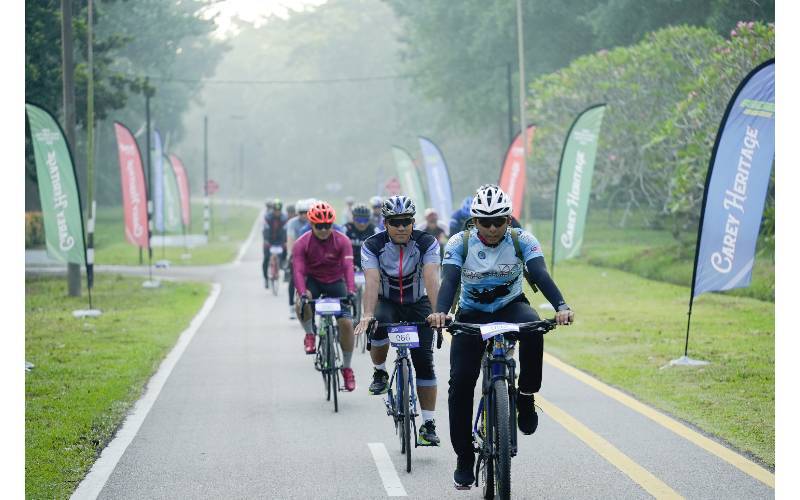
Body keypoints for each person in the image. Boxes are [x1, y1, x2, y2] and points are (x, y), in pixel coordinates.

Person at [427, 184, 575, 489]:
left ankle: (525, 395)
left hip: (511, 307)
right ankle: (465, 458)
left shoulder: (523, 240)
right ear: (474, 221)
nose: (493, 228)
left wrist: (561, 306)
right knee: (461, 384)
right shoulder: (459, 243)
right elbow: (450, 280)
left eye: (499, 221)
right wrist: (441, 312)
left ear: (509, 219)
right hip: (472, 314)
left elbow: (541, 274)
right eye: (485, 221)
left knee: (534, 327)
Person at [354, 195, 443, 446]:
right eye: (395, 222)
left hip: (418, 303)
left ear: (414, 222)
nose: (401, 227)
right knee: (378, 325)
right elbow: (371, 281)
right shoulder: (372, 245)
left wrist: (438, 312)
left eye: (406, 221)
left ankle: (428, 424)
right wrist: (368, 314)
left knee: (424, 362)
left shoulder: (427, 242)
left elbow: (431, 279)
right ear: (386, 223)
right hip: (387, 302)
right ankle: (380, 373)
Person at [293, 201, 358, 391]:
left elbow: (348, 267)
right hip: (313, 279)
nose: (323, 230)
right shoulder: (302, 243)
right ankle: (310, 334)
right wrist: (303, 294)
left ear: (332, 224)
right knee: (301, 300)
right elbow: (297, 271)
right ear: (311, 224)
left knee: (346, 324)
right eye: (318, 226)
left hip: (336, 282)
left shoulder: (342, 240)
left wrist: (351, 291)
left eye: (327, 226)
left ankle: (346, 369)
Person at [286, 199, 312, 319]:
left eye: (306, 212)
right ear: (297, 213)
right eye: (301, 212)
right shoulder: (292, 223)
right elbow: (290, 239)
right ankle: (291, 306)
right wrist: (291, 255)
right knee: (294, 279)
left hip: (311, 254)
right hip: (297, 253)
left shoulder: (314, 221)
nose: (303, 215)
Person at [262, 199, 287, 288]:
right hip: (269, 241)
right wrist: (266, 241)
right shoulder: (267, 217)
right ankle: (266, 279)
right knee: (266, 259)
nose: (277, 212)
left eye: (279, 210)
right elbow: (265, 230)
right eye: (275, 210)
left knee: (285, 253)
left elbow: (285, 231)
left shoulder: (284, 218)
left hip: (280, 241)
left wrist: (285, 242)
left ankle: (283, 266)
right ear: (273, 210)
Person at [344, 203, 377, 270]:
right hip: (349, 267)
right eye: (359, 220)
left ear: (369, 219)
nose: (362, 223)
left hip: (369, 268)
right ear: (353, 219)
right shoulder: (346, 229)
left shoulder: (375, 231)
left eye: (365, 220)